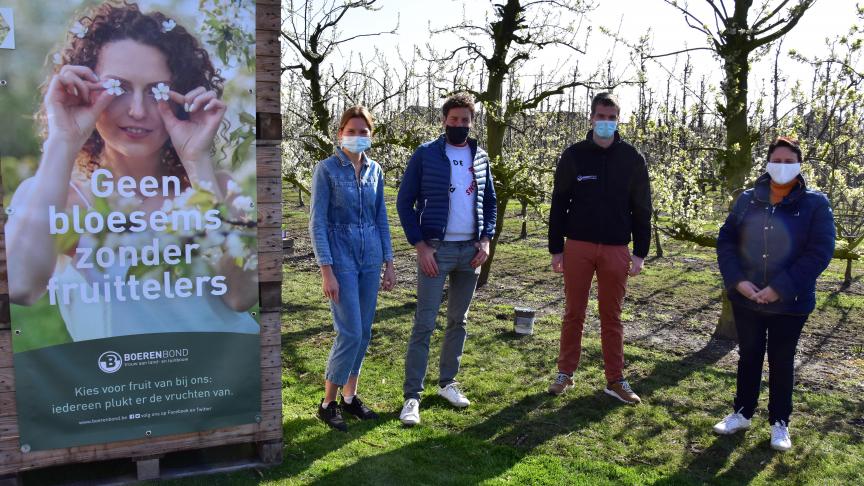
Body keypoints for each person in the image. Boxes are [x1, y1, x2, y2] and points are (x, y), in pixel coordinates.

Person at [5, 2, 259, 339]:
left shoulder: (220, 187)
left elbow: (241, 296)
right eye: (118, 88)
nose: (138, 110)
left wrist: (197, 160)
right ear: (85, 88)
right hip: (128, 386)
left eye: (156, 91)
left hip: (226, 382)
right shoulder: (60, 197)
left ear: (180, 92)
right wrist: (62, 139)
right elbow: (21, 287)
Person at [714, 136, 835, 452]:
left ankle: (780, 422)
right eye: (776, 161)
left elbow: (819, 252)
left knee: (782, 359)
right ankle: (742, 412)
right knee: (749, 355)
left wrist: (780, 287)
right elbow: (727, 241)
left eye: (788, 162)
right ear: (767, 163)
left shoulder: (815, 204)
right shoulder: (747, 200)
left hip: (790, 302)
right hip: (747, 296)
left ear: (799, 165)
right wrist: (737, 281)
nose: (781, 167)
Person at [396, 93, 496, 426]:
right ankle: (412, 397)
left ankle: (447, 383)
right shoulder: (426, 155)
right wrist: (420, 246)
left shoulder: (480, 157)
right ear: (444, 120)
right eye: (453, 120)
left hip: (470, 252)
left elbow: (491, 204)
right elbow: (404, 202)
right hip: (436, 252)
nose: (459, 125)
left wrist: (486, 240)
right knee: (424, 323)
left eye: (465, 120)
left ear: (472, 121)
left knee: (459, 321)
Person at [546, 92, 652, 404]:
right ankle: (565, 373)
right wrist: (556, 248)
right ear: (591, 118)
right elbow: (559, 203)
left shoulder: (632, 159)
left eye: (611, 117)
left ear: (618, 119)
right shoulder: (574, 155)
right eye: (600, 116)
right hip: (577, 245)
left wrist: (640, 252)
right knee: (573, 312)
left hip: (617, 248)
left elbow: (642, 208)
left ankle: (615, 379)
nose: (605, 122)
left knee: (612, 316)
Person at [309, 105, 396, 432]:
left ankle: (350, 397)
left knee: (364, 332)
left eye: (364, 132)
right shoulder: (327, 171)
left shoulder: (375, 171)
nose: (357, 137)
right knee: (350, 332)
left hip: (370, 259)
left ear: (370, 136)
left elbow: (381, 219)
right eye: (351, 130)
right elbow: (317, 223)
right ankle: (327, 403)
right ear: (339, 134)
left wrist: (389, 262)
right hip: (341, 259)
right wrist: (326, 270)